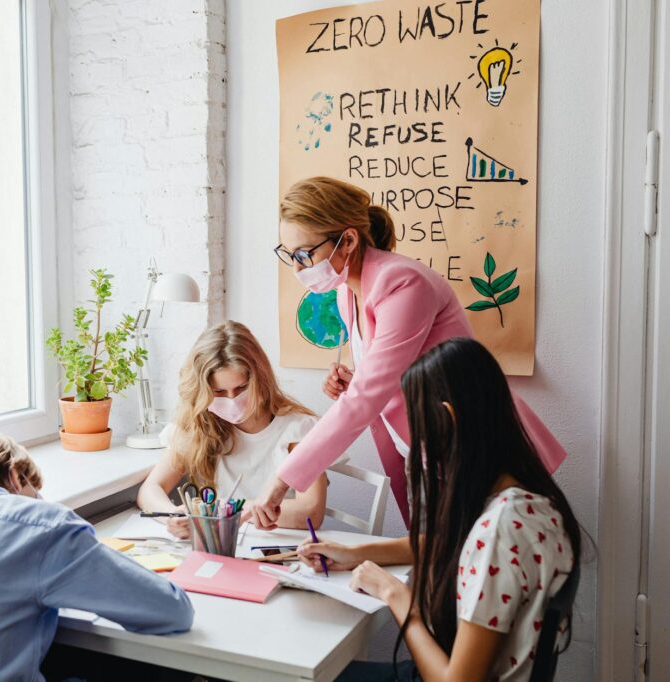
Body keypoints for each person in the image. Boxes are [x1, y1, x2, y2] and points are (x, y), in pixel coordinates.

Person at [255, 177, 567, 530]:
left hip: (475, 449)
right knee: (437, 558)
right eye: (289, 255)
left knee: (488, 559)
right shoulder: (346, 294)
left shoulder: (403, 283)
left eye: (304, 254)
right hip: (425, 454)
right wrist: (356, 381)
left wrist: (281, 480)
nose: (297, 268)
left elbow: (368, 396)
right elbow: (388, 377)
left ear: (348, 240)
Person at [298, 339, 581, 682]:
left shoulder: (501, 530)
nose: (417, 442)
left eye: (417, 426)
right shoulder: (528, 502)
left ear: (447, 418)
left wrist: (396, 595)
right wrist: (354, 554)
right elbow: (446, 542)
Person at [0, 428, 194, 682]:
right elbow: (172, 610)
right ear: (16, 476)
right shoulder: (42, 526)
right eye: (35, 490)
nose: (39, 499)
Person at [137, 321, 327, 539]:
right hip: (220, 546)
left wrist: (225, 509)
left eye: (242, 388)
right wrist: (172, 515)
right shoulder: (197, 427)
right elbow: (150, 489)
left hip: (279, 547)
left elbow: (310, 512)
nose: (232, 400)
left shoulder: (298, 429)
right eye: (218, 392)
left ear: (260, 379)